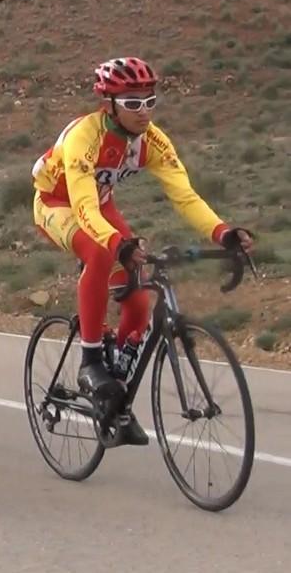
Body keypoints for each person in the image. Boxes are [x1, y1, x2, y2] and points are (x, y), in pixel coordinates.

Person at [32, 56, 254, 445]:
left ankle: (116, 402)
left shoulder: (151, 141)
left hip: (100, 205)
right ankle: (90, 362)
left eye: (150, 101)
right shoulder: (85, 136)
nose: (144, 111)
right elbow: (83, 208)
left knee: (136, 303)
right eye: (132, 103)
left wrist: (223, 233)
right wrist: (119, 244)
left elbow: (184, 196)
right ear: (109, 105)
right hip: (58, 204)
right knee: (101, 253)